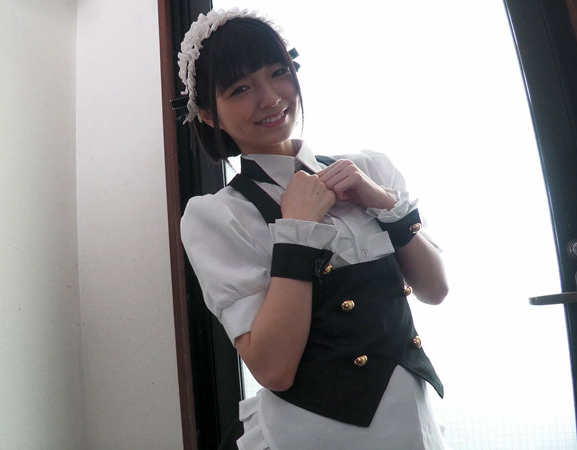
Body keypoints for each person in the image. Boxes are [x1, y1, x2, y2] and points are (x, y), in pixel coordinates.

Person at [175, 8, 450, 450]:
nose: (270, 98)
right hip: (309, 434)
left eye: (278, 72)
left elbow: (435, 290)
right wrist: (297, 231)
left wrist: (383, 203)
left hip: (411, 420)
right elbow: (274, 369)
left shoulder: (370, 168)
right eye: (241, 88)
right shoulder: (218, 216)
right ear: (209, 114)